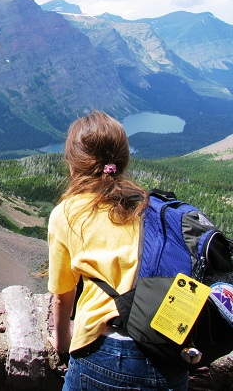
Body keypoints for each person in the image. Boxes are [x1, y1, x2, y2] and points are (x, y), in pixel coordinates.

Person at [47, 111, 189, 390]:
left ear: (74, 164)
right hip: (169, 356)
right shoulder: (154, 209)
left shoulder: (67, 214)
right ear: (123, 160)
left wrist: (62, 343)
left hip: (103, 352)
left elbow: (64, 297)